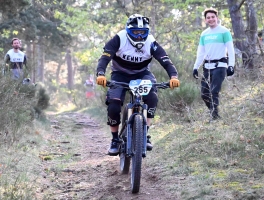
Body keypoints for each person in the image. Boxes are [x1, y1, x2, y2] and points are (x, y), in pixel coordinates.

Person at [95, 14, 180, 155]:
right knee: (114, 105)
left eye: (143, 33)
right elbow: (104, 58)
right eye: (136, 32)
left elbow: (165, 60)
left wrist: (174, 76)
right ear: (129, 31)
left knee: (152, 96)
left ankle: (145, 133)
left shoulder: (151, 42)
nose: (140, 36)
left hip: (142, 74)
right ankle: (115, 139)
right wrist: (101, 74)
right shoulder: (119, 38)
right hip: (119, 74)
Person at [192, 8, 235, 120]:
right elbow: (200, 53)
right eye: (208, 18)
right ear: (205, 20)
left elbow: (230, 49)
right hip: (207, 66)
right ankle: (214, 112)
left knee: (214, 91)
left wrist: (231, 65)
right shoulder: (204, 34)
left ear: (217, 17)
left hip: (220, 65)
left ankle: (214, 116)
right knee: (204, 93)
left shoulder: (224, 31)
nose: (211, 19)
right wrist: (196, 67)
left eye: (213, 17)